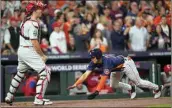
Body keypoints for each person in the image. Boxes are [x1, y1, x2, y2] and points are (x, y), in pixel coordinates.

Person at [5, 1, 52, 105]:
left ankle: (9, 96)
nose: (42, 11)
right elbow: (34, 42)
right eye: (40, 8)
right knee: (46, 72)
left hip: (22, 51)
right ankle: (39, 99)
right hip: (29, 50)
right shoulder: (33, 24)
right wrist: (42, 55)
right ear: (34, 10)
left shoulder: (24, 22)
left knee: (20, 74)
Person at [68, 48, 163, 100]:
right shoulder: (93, 62)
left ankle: (157, 88)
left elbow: (104, 78)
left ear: (98, 57)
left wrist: (97, 92)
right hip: (116, 69)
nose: (91, 59)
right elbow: (86, 74)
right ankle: (131, 88)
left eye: (93, 57)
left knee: (139, 82)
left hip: (126, 64)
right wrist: (75, 84)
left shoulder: (106, 62)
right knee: (113, 85)